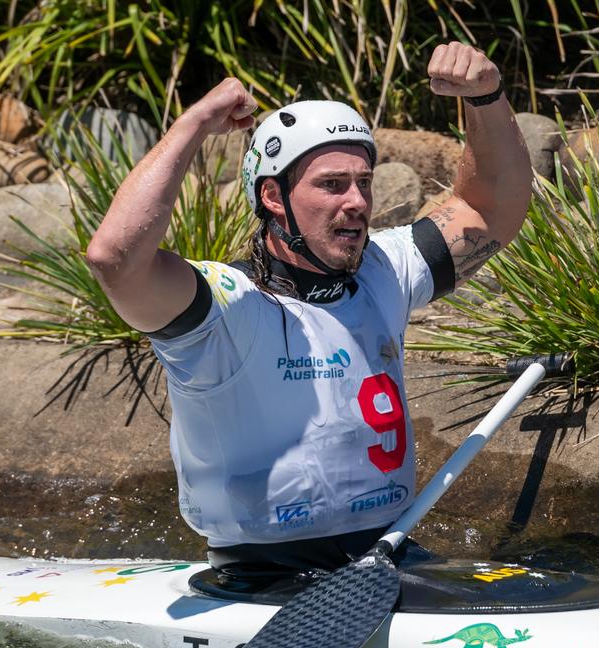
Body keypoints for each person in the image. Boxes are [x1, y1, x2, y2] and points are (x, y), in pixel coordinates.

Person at [84, 42, 531, 586]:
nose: (358, 202)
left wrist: (485, 95)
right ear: (273, 197)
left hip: (387, 556)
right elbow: (116, 260)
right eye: (331, 185)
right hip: (262, 577)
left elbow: (491, 209)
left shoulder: (383, 270)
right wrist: (195, 126)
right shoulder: (222, 308)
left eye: (363, 182)